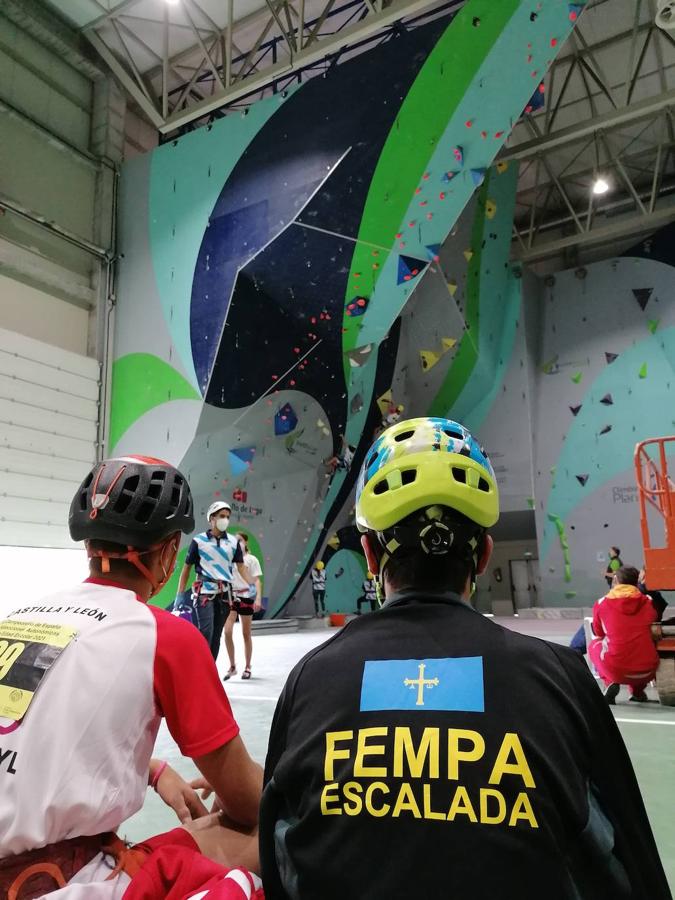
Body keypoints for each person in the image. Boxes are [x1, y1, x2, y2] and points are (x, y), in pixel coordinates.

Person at [260, 417, 671, 899]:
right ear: (483, 556)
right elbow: (630, 865)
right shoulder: (558, 679)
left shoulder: (312, 679)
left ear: (370, 556)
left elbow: (279, 858)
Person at [0, 455, 262, 897]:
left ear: (88, 543)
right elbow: (246, 799)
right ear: (168, 551)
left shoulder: (18, 616)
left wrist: (155, 770)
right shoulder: (165, 635)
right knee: (264, 833)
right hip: (57, 885)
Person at [177, 501, 254, 661]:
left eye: (227, 517)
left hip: (225, 595)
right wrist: (179, 595)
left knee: (217, 635)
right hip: (205, 593)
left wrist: (251, 584)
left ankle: (210, 670)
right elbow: (186, 569)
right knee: (206, 632)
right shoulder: (198, 541)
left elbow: (240, 567)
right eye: (221, 516)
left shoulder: (233, 542)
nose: (225, 520)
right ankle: (200, 670)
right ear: (212, 518)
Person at [588, 566, 660, 704]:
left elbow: (599, 632)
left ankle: (609, 681)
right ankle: (637, 692)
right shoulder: (648, 601)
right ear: (637, 581)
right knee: (643, 641)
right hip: (648, 671)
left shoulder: (601, 603)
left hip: (617, 670)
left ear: (615, 580)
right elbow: (653, 619)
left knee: (595, 644)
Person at [225, 533, 263, 680]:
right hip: (231, 597)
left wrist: (258, 598)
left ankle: (247, 666)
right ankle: (232, 666)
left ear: (246, 542)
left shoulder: (252, 560)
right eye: (235, 540)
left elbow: (256, 581)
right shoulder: (230, 559)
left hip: (246, 597)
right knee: (227, 632)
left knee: (246, 634)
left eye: (240, 540)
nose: (237, 542)